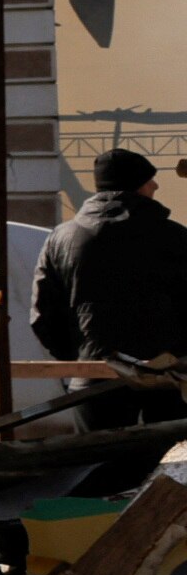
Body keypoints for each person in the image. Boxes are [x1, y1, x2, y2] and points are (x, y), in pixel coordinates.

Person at [33, 148, 187, 477]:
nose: (156, 187)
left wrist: (82, 359)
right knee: (170, 477)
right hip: (166, 377)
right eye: (150, 180)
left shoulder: (61, 238)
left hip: (94, 376)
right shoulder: (173, 237)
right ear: (138, 185)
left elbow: (44, 315)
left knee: (99, 472)